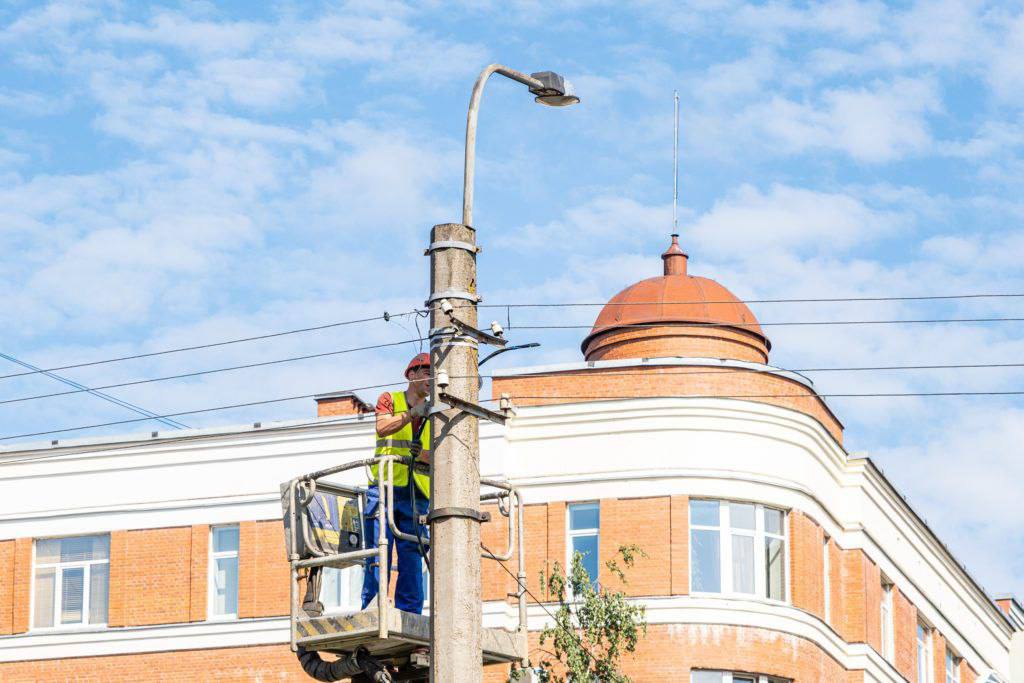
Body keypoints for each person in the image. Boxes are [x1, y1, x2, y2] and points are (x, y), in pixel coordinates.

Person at [361, 352, 431, 614]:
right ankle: (373, 610)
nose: (430, 379)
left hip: (416, 494)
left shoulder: (434, 412)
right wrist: (412, 413)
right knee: (379, 554)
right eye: (426, 373)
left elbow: (439, 455)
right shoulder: (390, 399)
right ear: (411, 375)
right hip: (385, 489)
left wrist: (420, 454)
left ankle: (411, 617)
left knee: (412, 561)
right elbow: (382, 427)